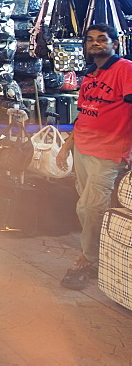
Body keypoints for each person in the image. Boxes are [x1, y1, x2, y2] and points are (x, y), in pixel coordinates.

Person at [56, 24, 132, 290]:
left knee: (89, 208)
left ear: (114, 43)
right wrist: (67, 146)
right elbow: (84, 115)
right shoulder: (90, 74)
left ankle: (89, 260)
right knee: (88, 208)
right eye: (91, 40)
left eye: (102, 39)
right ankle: (99, 252)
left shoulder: (125, 69)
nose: (96, 44)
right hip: (83, 149)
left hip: (109, 152)